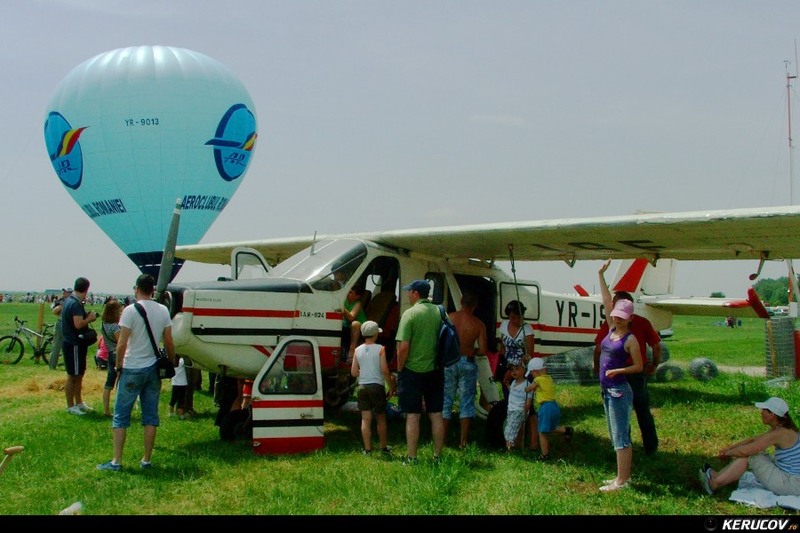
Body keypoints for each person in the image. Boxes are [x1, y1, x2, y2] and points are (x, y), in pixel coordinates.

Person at [97, 274, 175, 472]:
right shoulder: (163, 310)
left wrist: (118, 365)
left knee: (121, 415)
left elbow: (122, 343)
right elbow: (168, 341)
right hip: (153, 367)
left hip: (132, 366)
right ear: (152, 290)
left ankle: (117, 461)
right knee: (150, 416)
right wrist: (171, 362)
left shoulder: (130, 310)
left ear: (137, 289)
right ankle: (146, 459)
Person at [592, 283, 661, 455]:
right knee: (642, 410)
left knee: (621, 414)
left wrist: (596, 366)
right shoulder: (642, 322)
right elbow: (656, 345)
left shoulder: (614, 326)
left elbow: (599, 348)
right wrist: (654, 364)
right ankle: (650, 447)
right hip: (636, 373)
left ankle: (624, 447)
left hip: (621, 375)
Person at [596, 260, 643, 492]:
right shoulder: (611, 330)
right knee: (615, 435)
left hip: (619, 391)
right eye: (616, 315)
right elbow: (606, 300)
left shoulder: (630, 339)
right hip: (607, 390)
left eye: (622, 317)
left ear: (630, 318)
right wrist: (601, 275)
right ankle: (619, 477)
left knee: (621, 436)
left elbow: (639, 367)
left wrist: (619, 371)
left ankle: (623, 481)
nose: (617, 318)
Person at [699, 397, 800, 496]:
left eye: (763, 410)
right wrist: (729, 449)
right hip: (792, 480)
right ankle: (716, 476)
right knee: (756, 454)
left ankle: (714, 484)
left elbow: (748, 450)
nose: (761, 412)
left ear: (772, 414)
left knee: (752, 456)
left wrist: (727, 454)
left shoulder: (780, 433)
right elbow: (753, 440)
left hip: (791, 484)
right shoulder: (783, 429)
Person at [395, 279, 445, 465]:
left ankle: (412, 457)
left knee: (413, 415)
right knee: (436, 414)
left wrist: (400, 368)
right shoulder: (440, 311)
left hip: (412, 371)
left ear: (415, 293)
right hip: (435, 369)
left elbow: (403, 347)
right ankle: (438, 455)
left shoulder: (410, 314)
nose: (407, 294)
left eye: (409, 291)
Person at [442, 292, 487, 449]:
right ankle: (463, 441)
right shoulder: (478, 324)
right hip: (467, 362)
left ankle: (442, 439)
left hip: (449, 361)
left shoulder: (449, 318)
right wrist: (471, 351)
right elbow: (482, 350)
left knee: (446, 400)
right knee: (467, 402)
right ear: (475, 306)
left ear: (461, 302)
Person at [351, 320, 395, 455]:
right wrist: (392, 386)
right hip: (377, 386)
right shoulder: (380, 349)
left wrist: (364, 372)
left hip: (363, 385)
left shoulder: (357, 350)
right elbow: (385, 370)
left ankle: (367, 449)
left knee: (365, 418)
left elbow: (353, 372)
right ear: (376, 334)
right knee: (381, 417)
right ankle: (383, 447)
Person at [61, 277, 99, 415]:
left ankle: (79, 402)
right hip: (74, 343)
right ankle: (71, 406)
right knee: (73, 375)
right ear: (86, 289)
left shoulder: (70, 300)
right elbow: (78, 324)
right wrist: (89, 318)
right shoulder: (76, 304)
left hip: (73, 343)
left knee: (79, 374)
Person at [524, 357, 573, 460]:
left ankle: (545, 454)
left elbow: (529, 389)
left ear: (536, 372)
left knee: (542, 432)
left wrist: (525, 388)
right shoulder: (549, 378)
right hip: (554, 405)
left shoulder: (537, 379)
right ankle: (566, 430)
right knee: (552, 426)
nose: (532, 376)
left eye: (531, 373)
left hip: (545, 407)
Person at [99, 299, 122, 417]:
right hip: (117, 355)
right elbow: (121, 342)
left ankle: (106, 409)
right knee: (120, 382)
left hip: (109, 354)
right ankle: (119, 408)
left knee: (109, 383)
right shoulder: (115, 327)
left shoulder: (103, 325)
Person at [503, 361, 532, 452]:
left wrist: (527, 407)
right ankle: (517, 446)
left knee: (510, 429)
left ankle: (509, 448)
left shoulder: (527, 384)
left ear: (524, 370)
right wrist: (508, 385)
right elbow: (512, 392)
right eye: (512, 370)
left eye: (517, 369)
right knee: (513, 427)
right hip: (511, 409)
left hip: (519, 410)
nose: (514, 372)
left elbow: (529, 398)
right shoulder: (513, 383)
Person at [342, 284, 367, 361]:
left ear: (357, 296)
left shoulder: (357, 304)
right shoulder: (344, 300)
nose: (348, 294)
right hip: (346, 325)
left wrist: (341, 307)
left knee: (355, 324)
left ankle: (352, 351)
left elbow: (351, 317)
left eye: (350, 292)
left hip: (358, 326)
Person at [49, 287, 70, 369]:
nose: (63, 293)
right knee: (62, 345)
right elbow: (54, 310)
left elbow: (54, 310)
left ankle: (52, 365)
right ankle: (66, 366)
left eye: (65, 292)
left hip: (62, 323)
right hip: (66, 323)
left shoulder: (64, 301)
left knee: (57, 345)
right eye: (63, 291)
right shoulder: (69, 301)